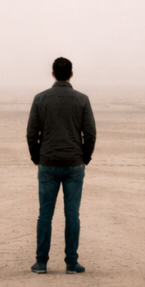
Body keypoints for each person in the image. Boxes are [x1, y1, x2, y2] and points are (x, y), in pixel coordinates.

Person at [26, 57, 96, 274]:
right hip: (74, 164)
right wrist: (84, 158)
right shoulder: (82, 99)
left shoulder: (40, 99)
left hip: (47, 163)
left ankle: (41, 262)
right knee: (72, 214)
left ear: (53, 74)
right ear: (71, 74)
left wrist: (37, 157)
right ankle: (71, 263)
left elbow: (31, 134)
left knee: (45, 214)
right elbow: (90, 134)